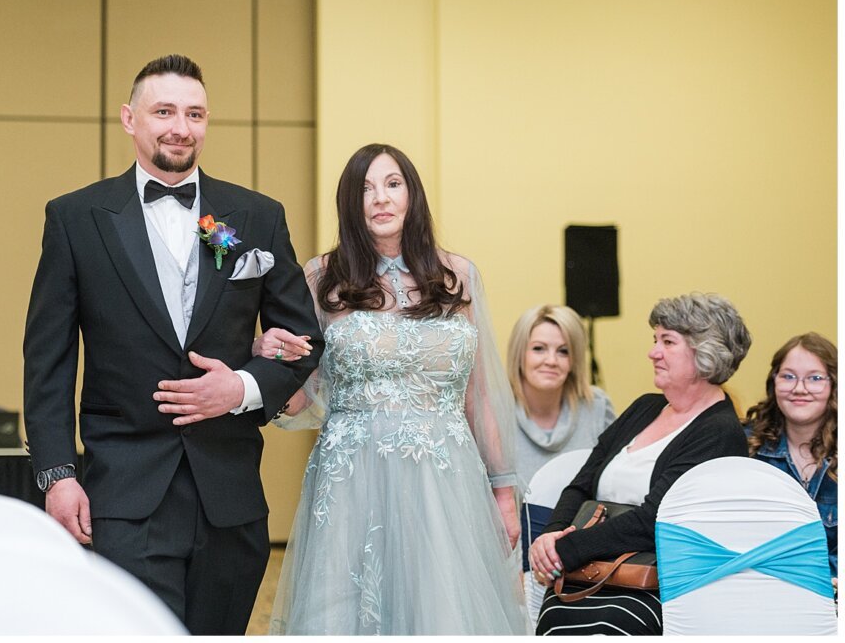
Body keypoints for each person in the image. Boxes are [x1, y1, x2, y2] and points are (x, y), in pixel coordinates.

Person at [22, 54, 323, 635]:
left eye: (195, 114)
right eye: (164, 112)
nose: (180, 127)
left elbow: (303, 340)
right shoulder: (76, 218)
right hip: (123, 493)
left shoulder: (254, 217)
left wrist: (242, 387)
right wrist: (58, 475)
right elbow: (49, 362)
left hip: (229, 496)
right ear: (130, 119)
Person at [257, 143, 529, 634]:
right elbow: (302, 391)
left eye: (392, 184)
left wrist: (504, 494)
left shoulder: (458, 276)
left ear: (412, 196)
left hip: (445, 480)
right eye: (365, 188)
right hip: (352, 480)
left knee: (441, 607)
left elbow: (479, 394)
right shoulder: (322, 278)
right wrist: (265, 361)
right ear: (350, 203)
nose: (380, 198)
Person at [530, 292, 751, 635]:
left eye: (667, 341)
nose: (653, 352)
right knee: (555, 619)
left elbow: (654, 520)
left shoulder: (720, 431)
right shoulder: (644, 407)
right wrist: (551, 535)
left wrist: (565, 550)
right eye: (655, 339)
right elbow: (581, 484)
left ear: (705, 352)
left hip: (654, 587)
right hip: (583, 573)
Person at [744, 332, 837, 580]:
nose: (799, 389)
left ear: (835, 384)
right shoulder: (745, 446)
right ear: (774, 382)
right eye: (788, 377)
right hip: (760, 585)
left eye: (815, 378)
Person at [506, 304, 615, 494]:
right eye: (539, 349)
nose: (551, 361)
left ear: (575, 360)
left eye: (563, 351)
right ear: (519, 353)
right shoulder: (493, 411)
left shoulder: (597, 406)